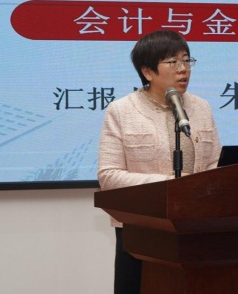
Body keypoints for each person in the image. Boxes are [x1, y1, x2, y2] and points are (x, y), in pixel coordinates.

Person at [97, 29, 222, 294]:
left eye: (187, 60)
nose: (183, 69)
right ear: (147, 72)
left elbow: (215, 164)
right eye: (172, 62)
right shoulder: (122, 110)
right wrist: (169, 185)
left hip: (196, 229)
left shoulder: (201, 107)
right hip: (142, 232)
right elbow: (109, 176)